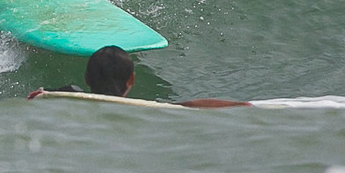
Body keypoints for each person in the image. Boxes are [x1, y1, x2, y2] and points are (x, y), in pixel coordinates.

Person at [29, 45, 252, 108]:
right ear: (132, 80)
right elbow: (189, 106)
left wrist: (40, 96)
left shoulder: (70, 94)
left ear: (87, 78)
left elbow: (38, 98)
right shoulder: (141, 109)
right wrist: (242, 104)